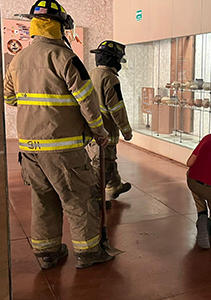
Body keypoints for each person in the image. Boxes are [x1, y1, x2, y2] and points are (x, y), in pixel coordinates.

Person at [3, 0, 114, 269]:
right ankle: (89, 253)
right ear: (61, 28)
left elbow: (9, 97)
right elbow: (87, 101)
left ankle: (47, 253)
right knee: (79, 198)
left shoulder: (18, 60)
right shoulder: (65, 58)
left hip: (29, 148)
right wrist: (99, 132)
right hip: (62, 149)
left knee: (43, 198)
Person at [87, 40, 133, 204]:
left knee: (109, 161)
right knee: (102, 165)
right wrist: (126, 131)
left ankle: (114, 186)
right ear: (114, 60)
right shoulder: (110, 78)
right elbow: (117, 108)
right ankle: (97, 199)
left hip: (92, 131)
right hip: (106, 133)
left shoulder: (91, 73)